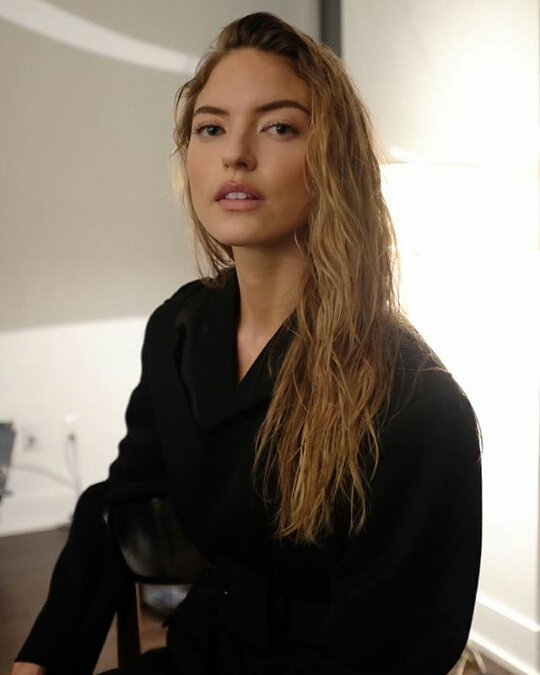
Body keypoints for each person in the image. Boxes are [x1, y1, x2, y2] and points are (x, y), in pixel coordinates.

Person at [12, 11, 482, 675]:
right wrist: (41, 659)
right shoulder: (179, 331)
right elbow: (117, 507)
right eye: (211, 128)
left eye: (278, 127)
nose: (235, 153)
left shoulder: (417, 406)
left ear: (334, 160)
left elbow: (386, 651)